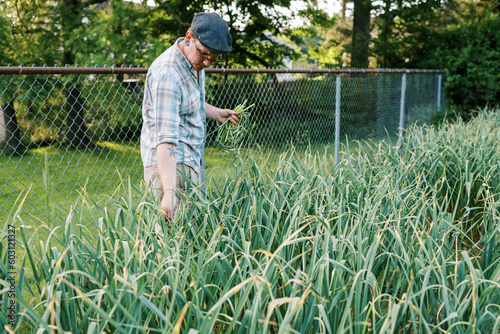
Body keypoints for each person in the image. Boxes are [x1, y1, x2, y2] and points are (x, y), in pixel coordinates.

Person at [141, 12, 239, 230]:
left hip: (189, 161)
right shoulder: (168, 74)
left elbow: (188, 102)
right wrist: (169, 192)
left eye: (213, 59)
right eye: (204, 55)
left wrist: (216, 113)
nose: (206, 62)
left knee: (191, 238)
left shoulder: (193, 63)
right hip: (169, 168)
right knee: (168, 243)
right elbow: (165, 141)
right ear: (188, 37)